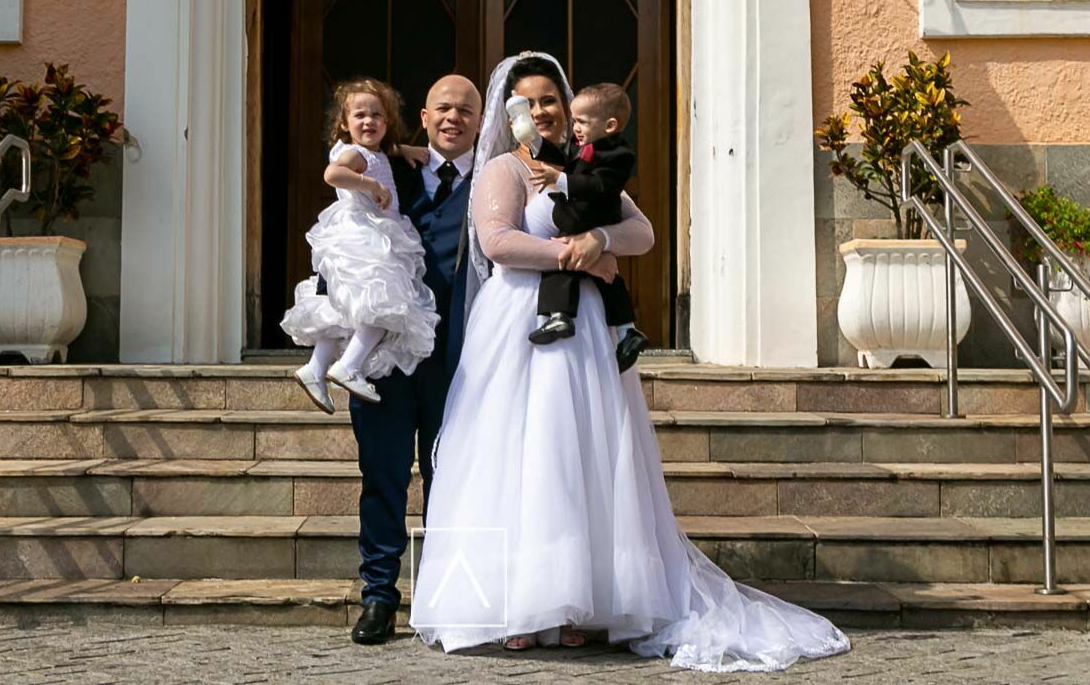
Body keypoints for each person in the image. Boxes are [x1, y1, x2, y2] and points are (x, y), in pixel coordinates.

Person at [411, 52, 851, 672]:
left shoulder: (588, 168)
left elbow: (641, 234)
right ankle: (513, 604)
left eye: (549, 100)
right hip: (519, 326)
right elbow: (498, 242)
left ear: (566, 108)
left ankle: (576, 605)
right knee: (519, 458)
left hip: (583, 331)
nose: (540, 111)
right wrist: (580, 256)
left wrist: (601, 239)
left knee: (579, 455)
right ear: (509, 112)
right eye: (527, 102)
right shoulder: (504, 170)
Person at [344, 74, 481, 647]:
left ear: (481, 120)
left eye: (466, 110)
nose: (453, 118)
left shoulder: (497, 178)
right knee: (383, 475)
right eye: (442, 108)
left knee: (454, 478)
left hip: (462, 360)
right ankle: (378, 594)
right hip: (387, 356)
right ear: (423, 117)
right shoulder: (385, 167)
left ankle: (447, 596)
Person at [281, 79, 439, 407]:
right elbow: (332, 174)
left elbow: (382, 153)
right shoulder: (354, 155)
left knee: (340, 309)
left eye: (377, 115)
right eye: (360, 115)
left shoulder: (372, 151)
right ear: (344, 122)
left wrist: (404, 150)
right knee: (387, 307)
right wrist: (370, 186)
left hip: (367, 234)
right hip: (367, 237)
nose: (369, 121)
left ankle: (316, 367)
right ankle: (349, 366)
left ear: (387, 123)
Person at [527, 82, 649, 370]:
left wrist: (560, 180)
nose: (575, 127)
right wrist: (533, 141)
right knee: (605, 278)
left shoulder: (619, 155)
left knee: (564, 262)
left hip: (594, 216)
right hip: (578, 217)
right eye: (574, 120)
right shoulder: (582, 145)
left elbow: (599, 186)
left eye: (581, 121)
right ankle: (625, 330)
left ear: (609, 125)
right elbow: (561, 157)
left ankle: (561, 315)